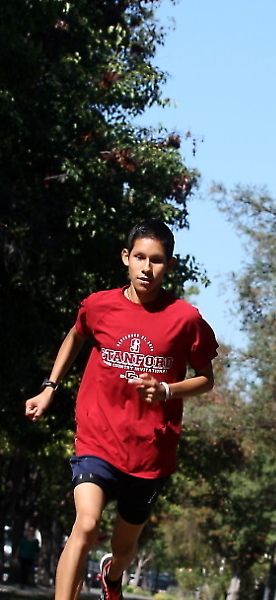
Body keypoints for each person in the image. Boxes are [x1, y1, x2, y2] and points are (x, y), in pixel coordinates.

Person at [25, 219, 219, 600]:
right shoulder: (99, 306)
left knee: (123, 549)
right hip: (97, 439)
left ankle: (112, 576)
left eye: (157, 260)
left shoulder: (186, 319)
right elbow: (76, 336)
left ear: (169, 265)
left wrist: (167, 390)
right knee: (86, 525)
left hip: (149, 452)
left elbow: (206, 379)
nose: (147, 268)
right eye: (140, 257)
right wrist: (50, 388)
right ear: (126, 257)